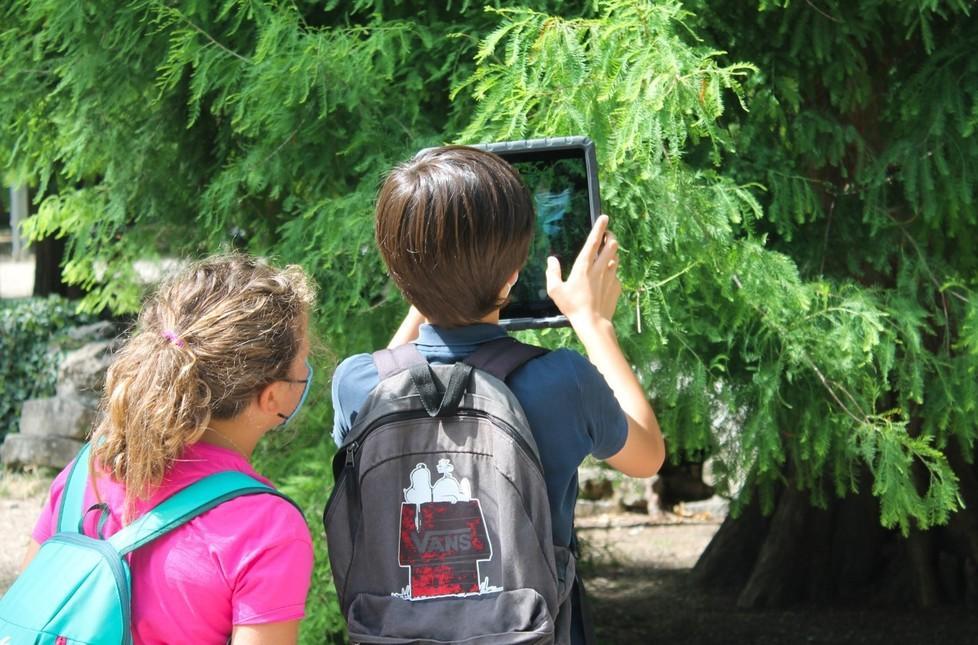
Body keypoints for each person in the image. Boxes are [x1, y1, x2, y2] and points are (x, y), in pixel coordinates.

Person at [331, 145, 665, 643]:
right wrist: (593, 323)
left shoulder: (356, 382)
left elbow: (390, 383)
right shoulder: (562, 381)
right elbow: (647, 456)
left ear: (396, 273)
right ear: (514, 275)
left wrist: (427, 289)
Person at [23, 254, 317, 645]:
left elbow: (28, 618)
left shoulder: (90, 469)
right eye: (303, 360)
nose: (307, 370)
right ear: (273, 397)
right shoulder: (264, 527)